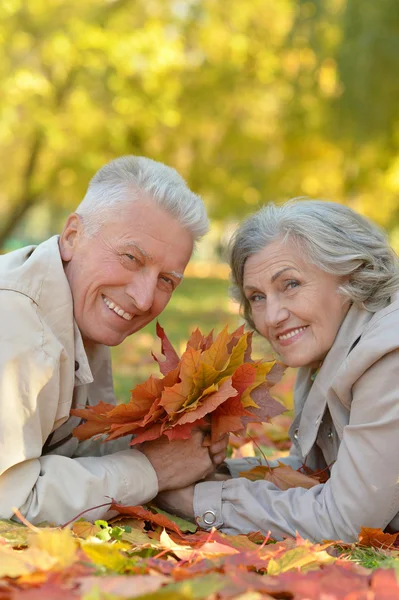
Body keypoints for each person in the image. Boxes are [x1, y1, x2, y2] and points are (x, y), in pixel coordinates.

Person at [0, 156, 227, 525]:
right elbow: (12, 500)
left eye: (167, 280)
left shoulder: (77, 307)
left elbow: (64, 446)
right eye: (131, 257)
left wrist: (171, 443)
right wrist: (151, 469)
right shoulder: (19, 327)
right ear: (72, 235)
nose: (143, 298)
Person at [157, 199, 399, 543]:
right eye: (257, 297)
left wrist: (192, 499)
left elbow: (345, 520)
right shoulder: (331, 344)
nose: (272, 317)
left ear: (352, 275)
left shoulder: (388, 354)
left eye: (291, 284)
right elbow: (316, 473)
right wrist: (206, 470)